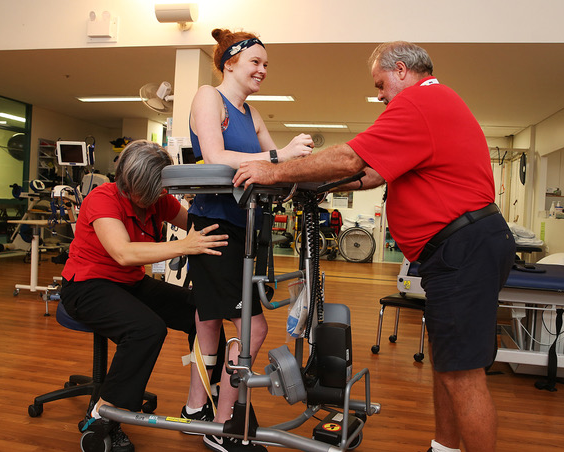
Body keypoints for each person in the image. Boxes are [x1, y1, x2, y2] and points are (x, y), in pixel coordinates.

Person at [233, 41, 516, 452]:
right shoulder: (435, 104)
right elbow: (368, 175)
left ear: (401, 70)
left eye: (381, 84)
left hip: (464, 249)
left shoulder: (420, 102)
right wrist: (302, 183)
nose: (380, 95)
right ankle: (444, 447)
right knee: (448, 364)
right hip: (459, 250)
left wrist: (273, 171)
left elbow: (350, 159)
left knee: (462, 375)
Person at [187, 28, 314, 452]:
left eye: (265, 65)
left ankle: (194, 412)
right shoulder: (210, 96)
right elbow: (216, 156)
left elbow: (275, 167)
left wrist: (301, 168)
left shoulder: (253, 113)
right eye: (255, 62)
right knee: (252, 328)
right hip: (214, 227)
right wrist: (281, 157)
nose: (262, 70)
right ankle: (222, 426)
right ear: (230, 63)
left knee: (208, 324)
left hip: (246, 227)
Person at [60, 139, 228, 452]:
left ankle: (206, 397)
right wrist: (183, 246)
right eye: (156, 189)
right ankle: (104, 417)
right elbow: (123, 253)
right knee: (146, 329)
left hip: (129, 283)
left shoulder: (157, 201)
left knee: (203, 309)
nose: (162, 196)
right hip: (87, 286)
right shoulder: (102, 199)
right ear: (132, 183)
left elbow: (198, 226)